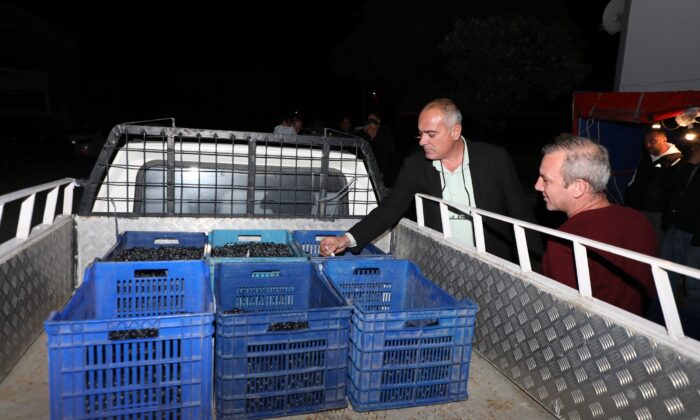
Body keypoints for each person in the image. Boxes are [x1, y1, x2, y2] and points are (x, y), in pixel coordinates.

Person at [319, 98, 540, 264]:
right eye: (420, 133)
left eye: (431, 134)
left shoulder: (494, 159)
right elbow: (389, 209)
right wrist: (346, 240)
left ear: (455, 131)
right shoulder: (416, 166)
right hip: (442, 265)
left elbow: (522, 217)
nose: (423, 141)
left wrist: (538, 277)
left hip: (493, 266)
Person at [535, 136, 657, 316]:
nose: (537, 186)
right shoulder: (638, 220)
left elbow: (557, 314)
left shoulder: (567, 242)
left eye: (546, 180)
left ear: (578, 187)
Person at [651, 141, 700, 337]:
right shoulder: (687, 161)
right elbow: (667, 181)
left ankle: (692, 332)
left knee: (695, 286)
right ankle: (657, 321)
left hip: (697, 237)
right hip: (674, 228)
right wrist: (689, 163)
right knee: (665, 274)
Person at [625, 129, 682, 248]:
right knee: (635, 240)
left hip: (656, 212)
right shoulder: (646, 156)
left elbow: (674, 187)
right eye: (645, 141)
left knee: (654, 243)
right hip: (635, 207)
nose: (648, 144)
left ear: (664, 139)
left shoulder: (677, 160)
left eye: (652, 141)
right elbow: (636, 177)